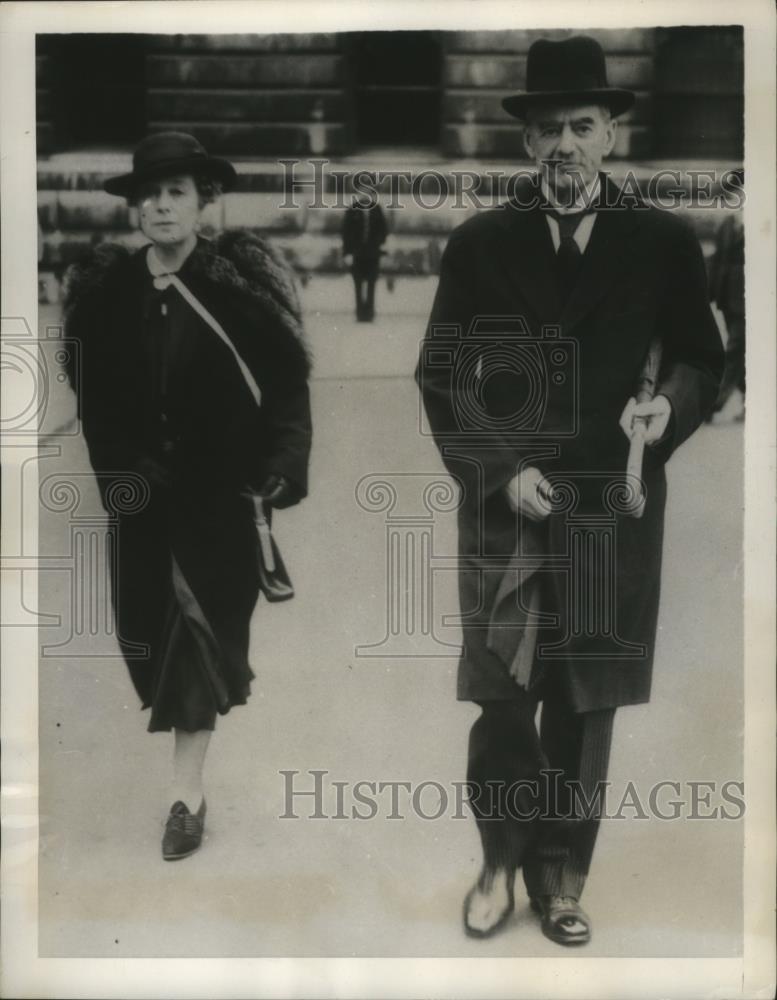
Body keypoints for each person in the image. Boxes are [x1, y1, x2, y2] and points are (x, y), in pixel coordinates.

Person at [416, 36, 724, 946]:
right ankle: (500, 860)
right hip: (505, 512)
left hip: (609, 516)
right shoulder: (480, 245)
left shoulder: (663, 243)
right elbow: (441, 377)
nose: (564, 144)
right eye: (547, 127)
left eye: (581, 127)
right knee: (505, 699)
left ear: (610, 137)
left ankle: (560, 878)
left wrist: (666, 412)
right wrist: (502, 471)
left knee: (585, 704)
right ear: (524, 144)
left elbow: (703, 361)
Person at [63, 132, 312, 861]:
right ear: (134, 207)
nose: (161, 205)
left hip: (220, 504)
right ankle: (185, 781)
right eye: (149, 193)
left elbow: (287, 388)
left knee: (198, 645)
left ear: (206, 202)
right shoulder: (104, 297)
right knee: (147, 638)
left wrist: (282, 466)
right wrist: (123, 479)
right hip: (141, 503)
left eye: (177, 192)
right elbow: (94, 406)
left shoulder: (244, 287)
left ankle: (185, 796)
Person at [708, 207, 745, 419]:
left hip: (750, 297)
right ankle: (751, 400)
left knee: (734, 349)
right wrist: (710, 292)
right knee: (740, 350)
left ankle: (713, 404)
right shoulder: (727, 224)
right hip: (727, 298)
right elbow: (717, 259)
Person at [341, 193, 388, 321]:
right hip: (357, 254)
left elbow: (383, 229)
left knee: (372, 284)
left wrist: (380, 244)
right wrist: (347, 253)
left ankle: (370, 313)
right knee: (358, 284)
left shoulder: (377, 209)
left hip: (373, 254)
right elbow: (346, 232)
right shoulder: (352, 209)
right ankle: (360, 314)